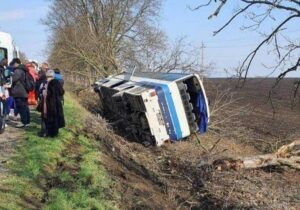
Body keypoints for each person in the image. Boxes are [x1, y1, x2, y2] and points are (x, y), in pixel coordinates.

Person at [40, 70, 65, 137]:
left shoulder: (44, 82)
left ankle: (45, 132)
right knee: (55, 117)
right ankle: (54, 133)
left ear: (46, 75)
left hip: (47, 102)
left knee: (45, 117)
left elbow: (41, 92)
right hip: (56, 103)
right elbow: (62, 92)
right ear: (53, 76)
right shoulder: (57, 82)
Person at [10, 58, 30, 128]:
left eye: (13, 64)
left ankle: (24, 122)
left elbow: (13, 80)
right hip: (24, 91)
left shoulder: (18, 70)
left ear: (16, 63)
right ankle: (27, 122)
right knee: (25, 107)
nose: (12, 65)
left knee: (22, 108)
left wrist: (11, 75)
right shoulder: (23, 69)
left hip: (19, 92)